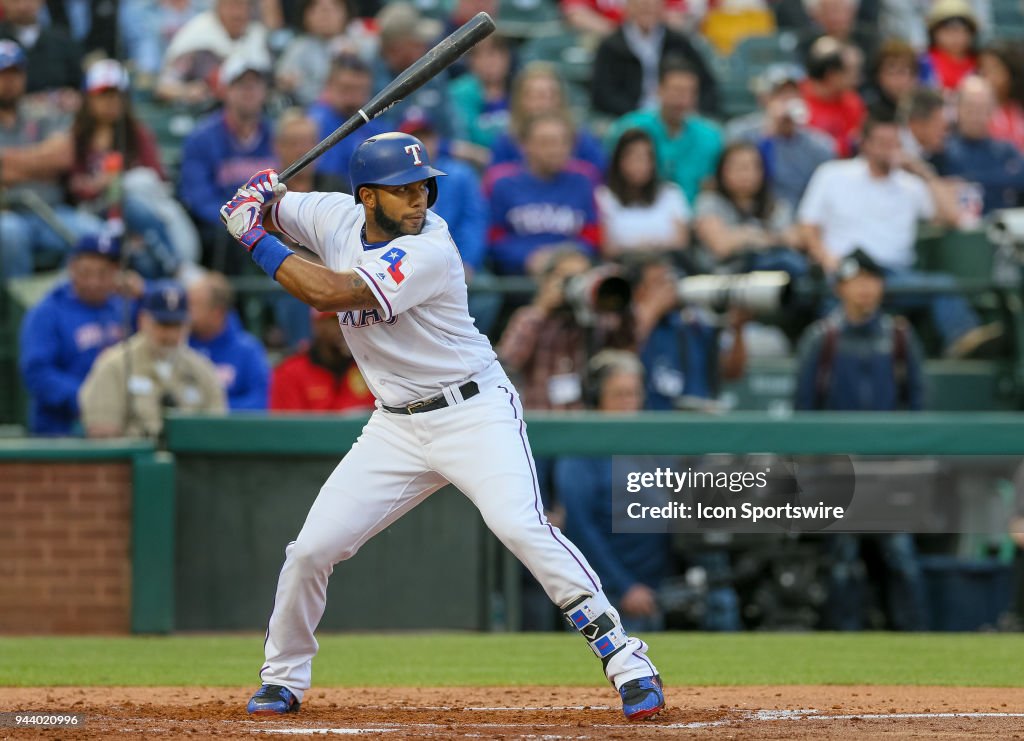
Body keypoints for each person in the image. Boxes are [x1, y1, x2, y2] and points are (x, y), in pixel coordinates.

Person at [218, 135, 665, 719]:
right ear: (366, 196)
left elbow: (331, 291)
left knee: (521, 526)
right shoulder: (332, 214)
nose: (418, 198)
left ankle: (627, 658)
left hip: (473, 411)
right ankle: (283, 679)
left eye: (423, 186)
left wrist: (253, 236)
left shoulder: (431, 247)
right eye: (402, 189)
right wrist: (261, 197)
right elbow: (278, 203)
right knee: (310, 551)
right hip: (395, 425)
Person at [793, 248, 928, 631]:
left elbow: (918, 404)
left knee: (902, 559)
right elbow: (803, 409)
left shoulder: (900, 336)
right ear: (840, 288)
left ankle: (918, 646)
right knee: (841, 562)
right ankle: (842, 646)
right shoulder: (823, 338)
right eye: (857, 281)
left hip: (890, 470)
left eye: (873, 280)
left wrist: (908, 459)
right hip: (839, 473)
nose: (866, 290)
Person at [798, 115, 992, 356]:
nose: (889, 150)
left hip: (896, 277)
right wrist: (828, 261)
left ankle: (967, 348)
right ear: (865, 143)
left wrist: (924, 173)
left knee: (944, 286)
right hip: (847, 274)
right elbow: (807, 226)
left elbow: (953, 217)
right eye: (882, 142)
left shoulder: (911, 185)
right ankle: (828, 356)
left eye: (895, 143)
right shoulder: (832, 175)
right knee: (832, 302)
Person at [555, 350, 672, 632]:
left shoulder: (652, 445)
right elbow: (581, 529)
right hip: (604, 595)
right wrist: (625, 586)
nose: (628, 403)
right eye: (619, 395)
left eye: (633, 394)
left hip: (659, 589)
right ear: (597, 399)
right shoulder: (582, 452)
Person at [65, 59, 195, 280]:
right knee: (129, 203)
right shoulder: (77, 137)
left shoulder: (136, 134)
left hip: (141, 217)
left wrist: (119, 180)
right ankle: (175, 267)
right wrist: (100, 184)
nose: (111, 102)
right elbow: (73, 186)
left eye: (117, 95)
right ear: (88, 99)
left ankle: (168, 279)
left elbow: (157, 178)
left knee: (141, 254)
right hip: (96, 212)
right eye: (103, 95)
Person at [0, 40, 102, 279]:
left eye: (15, 74)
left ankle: (64, 306)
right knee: (7, 233)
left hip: (52, 211)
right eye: (3, 75)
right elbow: (49, 160)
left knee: (95, 235)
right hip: (8, 214)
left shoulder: (42, 112)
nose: (9, 82)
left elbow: (63, 156)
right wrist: (40, 162)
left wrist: (7, 162)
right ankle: (14, 312)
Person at [79, 280, 226, 439]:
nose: (170, 335)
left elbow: (216, 431)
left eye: (176, 326)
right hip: (133, 460)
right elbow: (102, 432)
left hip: (191, 461)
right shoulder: (115, 365)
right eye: (163, 325)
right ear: (143, 320)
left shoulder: (202, 370)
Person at [18, 234, 129, 435]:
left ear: (116, 272)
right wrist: (90, 398)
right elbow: (37, 372)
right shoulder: (47, 311)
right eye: (85, 273)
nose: (93, 282)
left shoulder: (124, 306)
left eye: (103, 274)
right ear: (71, 268)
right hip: (62, 430)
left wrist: (144, 292)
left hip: (118, 426)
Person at [498, 248, 635, 410]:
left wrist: (615, 296)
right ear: (547, 281)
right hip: (541, 419)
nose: (578, 283)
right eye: (569, 278)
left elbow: (628, 347)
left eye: (583, 276)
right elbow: (508, 363)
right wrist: (542, 308)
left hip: (583, 423)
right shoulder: (531, 317)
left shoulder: (595, 319)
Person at [177, 54, 276, 273]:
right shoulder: (201, 138)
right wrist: (241, 220)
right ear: (225, 90)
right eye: (241, 85)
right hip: (223, 232)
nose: (249, 91)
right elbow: (197, 198)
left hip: (269, 224)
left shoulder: (276, 135)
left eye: (255, 84)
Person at [485, 112, 602, 277]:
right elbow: (493, 238)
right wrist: (526, 257)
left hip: (572, 272)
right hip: (517, 278)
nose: (556, 150)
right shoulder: (503, 184)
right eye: (546, 143)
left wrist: (565, 255)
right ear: (524, 145)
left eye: (563, 143)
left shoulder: (582, 181)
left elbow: (592, 234)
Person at [630, 256, 747, 410]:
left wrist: (738, 328)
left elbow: (732, 372)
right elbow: (626, 356)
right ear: (639, 291)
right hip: (652, 425)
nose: (668, 289)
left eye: (669, 282)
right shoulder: (629, 324)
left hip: (697, 423)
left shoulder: (693, 324)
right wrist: (653, 310)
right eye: (658, 283)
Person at [605, 58, 723, 206]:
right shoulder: (629, 128)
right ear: (659, 90)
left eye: (690, 92)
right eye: (676, 90)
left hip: (693, 219)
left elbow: (712, 188)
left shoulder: (711, 137)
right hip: (636, 212)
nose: (682, 100)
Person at [725, 64, 836, 206]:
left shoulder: (819, 144)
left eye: (794, 94)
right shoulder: (740, 133)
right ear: (764, 98)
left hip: (800, 217)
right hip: (756, 213)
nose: (788, 100)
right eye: (780, 94)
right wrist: (769, 132)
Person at [695, 141, 807, 276]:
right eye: (740, 167)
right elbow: (721, 245)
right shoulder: (709, 202)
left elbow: (795, 240)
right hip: (726, 278)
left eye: (754, 167)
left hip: (776, 277)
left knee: (790, 262)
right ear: (722, 171)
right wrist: (768, 237)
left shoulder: (775, 205)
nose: (747, 174)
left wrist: (745, 236)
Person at [590, 0, 718, 118]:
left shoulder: (678, 42)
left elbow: (706, 83)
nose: (647, 9)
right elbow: (603, 93)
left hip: (676, 116)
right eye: (641, 5)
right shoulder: (611, 46)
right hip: (628, 117)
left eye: (653, 4)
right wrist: (635, 113)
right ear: (629, 7)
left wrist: (694, 111)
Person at [490, 62, 606, 176]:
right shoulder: (507, 141)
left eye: (551, 95)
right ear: (520, 100)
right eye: (536, 96)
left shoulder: (579, 137)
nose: (544, 103)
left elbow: (601, 174)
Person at [596, 127, 691, 261]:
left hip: (667, 265)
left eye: (646, 158)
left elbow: (682, 242)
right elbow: (607, 248)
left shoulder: (671, 193)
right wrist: (642, 250)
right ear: (619, 161)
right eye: (633, 157)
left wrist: (646, 248)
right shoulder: (604, 196)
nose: (640, 164)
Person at [157, 0, 271, 107]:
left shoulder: (257, 35)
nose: (238, 14)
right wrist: (186, 91)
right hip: (206, 115)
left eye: (243, 6)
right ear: (218, 8)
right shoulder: (199, 36)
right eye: (232, 6)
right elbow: (164, 87)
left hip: (251, 116)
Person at [938, 75, 1024, 215]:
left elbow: (1021, 178)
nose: (976, 116)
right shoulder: (943, 150)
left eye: (982, 108)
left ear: (992, 111)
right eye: (970, 107)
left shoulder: (1006, 150)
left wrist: (968, 180)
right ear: (958, 109)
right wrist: (1003, 178)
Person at [187, 271, 270, 410]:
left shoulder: (247, 350)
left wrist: (213, 410)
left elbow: (261, 400)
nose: (186, 312)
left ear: (217, 313)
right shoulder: (179, 345)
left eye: (193, 305)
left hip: (231, 429)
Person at [269, 310, 375, 412]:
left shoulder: (370, 368)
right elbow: (286, 427)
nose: (346, 327)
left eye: (352, 321)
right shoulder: (289, 373)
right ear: (318, 325)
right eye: (337, 320)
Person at [306, 55, 388, 187]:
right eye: (346, 88)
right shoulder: (313, 124)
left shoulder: (377, 129)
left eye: (360, 89)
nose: (352, 97)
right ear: (329, 86)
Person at [275, 0, 375, 108]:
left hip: (358, 109)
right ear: (306, 16)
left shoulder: (359, 38)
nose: (325, 15)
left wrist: (356, 58)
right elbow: (282, 79)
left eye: (333, 8)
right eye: (317, 9)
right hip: (310, 111)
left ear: (346, 13)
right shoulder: (298, 47)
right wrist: (288, 83)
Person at [800, 37, 866, 157]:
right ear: (831, 75)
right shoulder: (798, 96)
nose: (856, 78)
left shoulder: (852, 101)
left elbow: (857, 141)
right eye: (849, 71)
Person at [0, 0, 82, 95]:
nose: (22, 6)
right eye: (15, 1)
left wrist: (71, 95)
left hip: (56, 108)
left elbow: (78, 84)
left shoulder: (63, 40)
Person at [447, 33, 512, 152]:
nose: (489, 63)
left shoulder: (518, 87)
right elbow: (464, 137)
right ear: (471, 61)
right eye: (480, 56)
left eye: (494, 54)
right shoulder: (460, 92)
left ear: (506, 57)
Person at [920, 0, 978, 93]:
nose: (955, 37)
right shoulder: (923, 63)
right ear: (934, 33)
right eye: (948, 31)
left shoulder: (980, 64)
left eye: (962, 31)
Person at [977, 42, 1024, 152]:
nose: (984, 74)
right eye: (981, 68)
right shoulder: (975, 110)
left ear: (1009, 73)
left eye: (992, 69)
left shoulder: (1018, 109)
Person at [861, 39, 920, 120]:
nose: (897, 80)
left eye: (902, 72)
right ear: (878, 76)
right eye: (891, 73)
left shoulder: (921, 108)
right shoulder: (866, 107)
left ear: (914, 77)